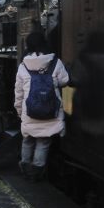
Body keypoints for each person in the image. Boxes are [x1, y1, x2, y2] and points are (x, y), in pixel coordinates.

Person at [14, 31, 69, 181]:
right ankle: (35, 172)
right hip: (50, 109)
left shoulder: (23, 65)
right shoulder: (55, 62)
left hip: (29, 110)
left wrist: (19, 110)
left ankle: (25, 166)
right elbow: (64, 81)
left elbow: (18, 92)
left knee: (28, 139)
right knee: (43, 141)